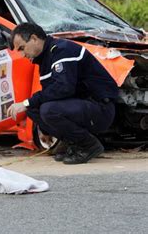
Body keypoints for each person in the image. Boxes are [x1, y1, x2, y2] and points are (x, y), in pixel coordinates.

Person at [7, 23, 118, 165]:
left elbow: (64, 88)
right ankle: (73, 143)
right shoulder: (45, 59)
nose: (22, 55)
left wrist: (27, 102)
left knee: (48, 110)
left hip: (100, 108)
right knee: (34, 109)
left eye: (22, 48)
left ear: (34, 38)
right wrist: (44, 125)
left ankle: (89, 145)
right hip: (82, 106)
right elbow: (51, 93)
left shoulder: (62, 50)